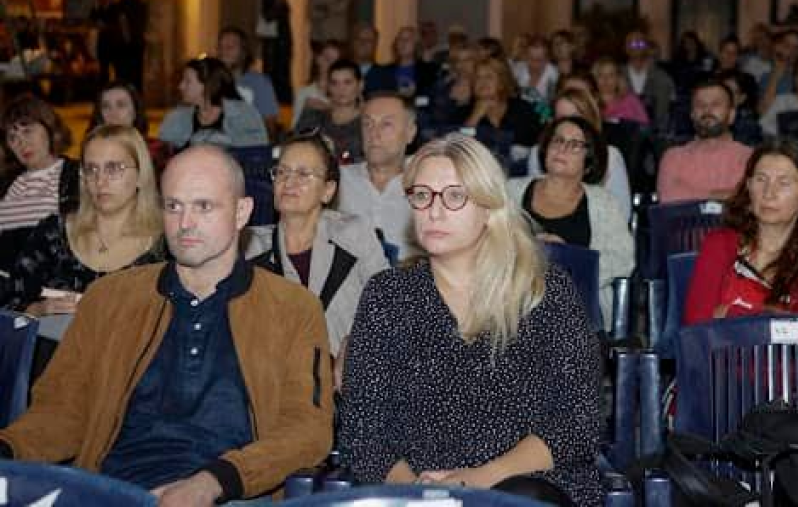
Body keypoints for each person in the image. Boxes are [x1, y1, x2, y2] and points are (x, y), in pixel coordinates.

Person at [0, 145, 334, 504]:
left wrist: (212, 482)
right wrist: (9, 448)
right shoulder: (110, 299)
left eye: (203, 206)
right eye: (173, 206)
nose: (184, 223)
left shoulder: (292, 308)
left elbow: (308, 430)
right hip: (113, 489)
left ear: (241, 212)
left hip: (231, 492)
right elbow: (61, 410)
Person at [340, 134, 603, 506]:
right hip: (416, 491)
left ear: (488, 207)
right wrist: (421, 493)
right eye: (422, 195)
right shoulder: (388, 296)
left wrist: (478, 481)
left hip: (531, 485)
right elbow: (364, 432)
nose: (434, 210)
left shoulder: (543, 291)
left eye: (454, 196)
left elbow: (578, 420)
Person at [246, 131, 388, 365]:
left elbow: (388, 305)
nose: (288, 182)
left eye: (303, 174)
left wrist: (357, 346)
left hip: (348, 379)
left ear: (327, 190)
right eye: (282, 172)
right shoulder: (251, 248)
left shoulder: (353, 235)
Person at [3, 125, 166, 315]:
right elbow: (10, 301)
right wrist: (38, 310)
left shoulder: (166, 245)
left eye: (113, 168)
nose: (100, 180)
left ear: (140, 174)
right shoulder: (53, 234)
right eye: (91, 169)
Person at [684, 138, 798, 324]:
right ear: (749, 188)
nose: (769, 193)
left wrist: (728, 312)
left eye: (784, 183)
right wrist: (778, 320)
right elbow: (695, 325)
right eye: (761, 180)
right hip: (716, 354)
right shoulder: (719, 245)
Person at [510, 116, 633, 331]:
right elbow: (486, 244)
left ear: (589, 161)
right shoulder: (510, 192)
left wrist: (567, 257)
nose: (562, 149)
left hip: (578, 311)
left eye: (575, 145)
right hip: (515, 305)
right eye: (557, 140)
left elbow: (623, 260)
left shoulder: (604, 203)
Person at [528, 87, 632, 222]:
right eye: (561, 119)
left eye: (576, 118)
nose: (568, 125)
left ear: (591, 120)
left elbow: (622, 214)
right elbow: (530, 212)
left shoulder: (611, 157)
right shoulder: (539, 154)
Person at [338, 93, 419, 258]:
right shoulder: (337, 180)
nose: (374, 134)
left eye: (386, 124)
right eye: (367, 124)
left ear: (410, 132)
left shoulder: (427, 183)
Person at [0, 94, 79, 256]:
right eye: (12, 137)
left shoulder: (77, 176)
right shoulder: (6, 183)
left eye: (27, 131)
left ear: (49, 129)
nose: (22, 143)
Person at [656, 78, 753, 203]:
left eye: (715, 104)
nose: (707, 110)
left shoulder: (749, 158)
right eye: (700, 105)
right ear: (692, 115)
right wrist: (719, 195)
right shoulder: (673, 157)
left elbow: (747, 199)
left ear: (732, 114)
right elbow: (668, 197)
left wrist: (691, 193)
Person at [159, 57, 268, 150]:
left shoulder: (243, 114)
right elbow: (164, 155)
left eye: (187, 81)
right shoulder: (177, 118)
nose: (181, 86)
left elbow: (256, 154)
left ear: (208, 84)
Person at [458, 57, 542, 147]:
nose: (482, 81)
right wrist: (474, 118)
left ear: (502, 82)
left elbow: (539, 141)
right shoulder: (463, 112)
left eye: (489, 76)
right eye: (477, 77)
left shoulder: (522, 108)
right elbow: (459, 147)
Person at [87, 81, 170, 171]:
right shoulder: (92, 150)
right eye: (106, 106)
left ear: (135, 111)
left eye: (121, 105)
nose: (112, 113)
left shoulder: (155, 151)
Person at [295, 58, 365, 164]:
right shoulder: (314, 116)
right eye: (334, 83)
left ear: (360, 85)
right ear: (328, 86)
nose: (341, 89)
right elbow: (296, 149)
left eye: (347, 82)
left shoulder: (368, 122)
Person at [217, 26, 279, 138]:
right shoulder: (211, 82)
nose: (223, 52)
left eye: (230, 47)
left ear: (243, 52)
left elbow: (270, 126)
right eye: (220, 47)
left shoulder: (259, 83)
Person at [364, 25, 440, 101]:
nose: (403, 42)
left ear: (416, 44)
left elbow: (432, 99)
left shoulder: (428, 71)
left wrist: (413, 96)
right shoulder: (383, 71)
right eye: (400, 39)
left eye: (408, 39)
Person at [624, 31, 675, 133]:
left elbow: (664, 111)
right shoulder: (617, 74)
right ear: (626, 48)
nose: (637, 46)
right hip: (624, 129)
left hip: (654, 131)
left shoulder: (661, 77)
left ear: (647, 48)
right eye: (633, 43)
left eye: (641, 43)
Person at [259, 0, 293, 103]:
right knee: (274, 71)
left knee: (282, 71)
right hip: (273, 41)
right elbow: (268, 15)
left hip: (282, 38)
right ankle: (272, 100)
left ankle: (281, 100)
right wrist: (278, 5)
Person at [293, 39, 343, 127]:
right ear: (318, 59)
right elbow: (296, 129)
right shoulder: (305, 93)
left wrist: (326, 107)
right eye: (327, 59)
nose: (331, 65)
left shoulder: (345, 93)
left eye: (336, 62)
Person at [113, 0, 149, 92]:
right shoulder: (140, 3)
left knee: (124, 74)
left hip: (125, 45)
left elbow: (122, 21)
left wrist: (126, 38)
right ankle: (137, 96)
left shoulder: (121, 4)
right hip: (137, 43)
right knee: (137, 73)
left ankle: (125, 95)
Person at [592, 57, 649, 126]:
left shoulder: (630, 99)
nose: (605, 79)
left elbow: (645, 126)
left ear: (618, 78)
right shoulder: (589, 100)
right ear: (594, 78)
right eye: (600, 75)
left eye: (611, 75)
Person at [513, 35, 558, 106]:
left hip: (543, 112)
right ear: (525, 57)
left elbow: (550, 103)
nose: (534, 64)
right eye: (530, 58)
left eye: (539, 60)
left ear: (547, 60)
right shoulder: (519, 68)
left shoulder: (552, 73)